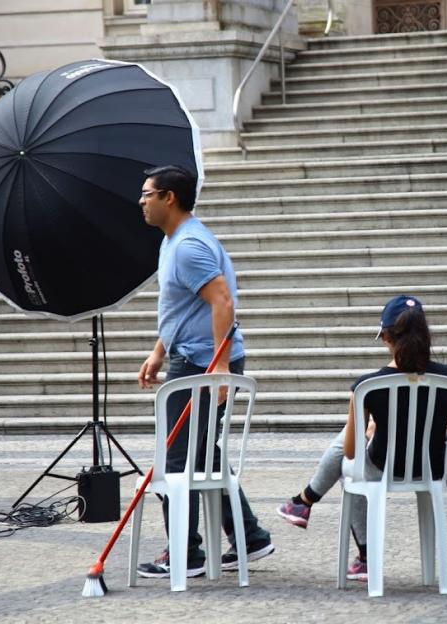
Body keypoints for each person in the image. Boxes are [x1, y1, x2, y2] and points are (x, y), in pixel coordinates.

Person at [135, 165, 273, 579]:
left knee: (176, 460)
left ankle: (185, 553)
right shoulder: (174, 241)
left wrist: (221, 367)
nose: (141, 201)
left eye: (147, 194)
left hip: (201, 364)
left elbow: (223, 302)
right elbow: (184, 307)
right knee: (201, 455)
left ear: (169, 198)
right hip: (190, 357)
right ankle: (250, 538)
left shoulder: (188, 247)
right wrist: (159, 351)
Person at [275, 295, 447, 582]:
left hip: (383, 466)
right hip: (432, 468)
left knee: (347, 467)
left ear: (385, 338)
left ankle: (362, 552)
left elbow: (353, 452)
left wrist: (376, 430)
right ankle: (304, 503)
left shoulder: (368, 385)